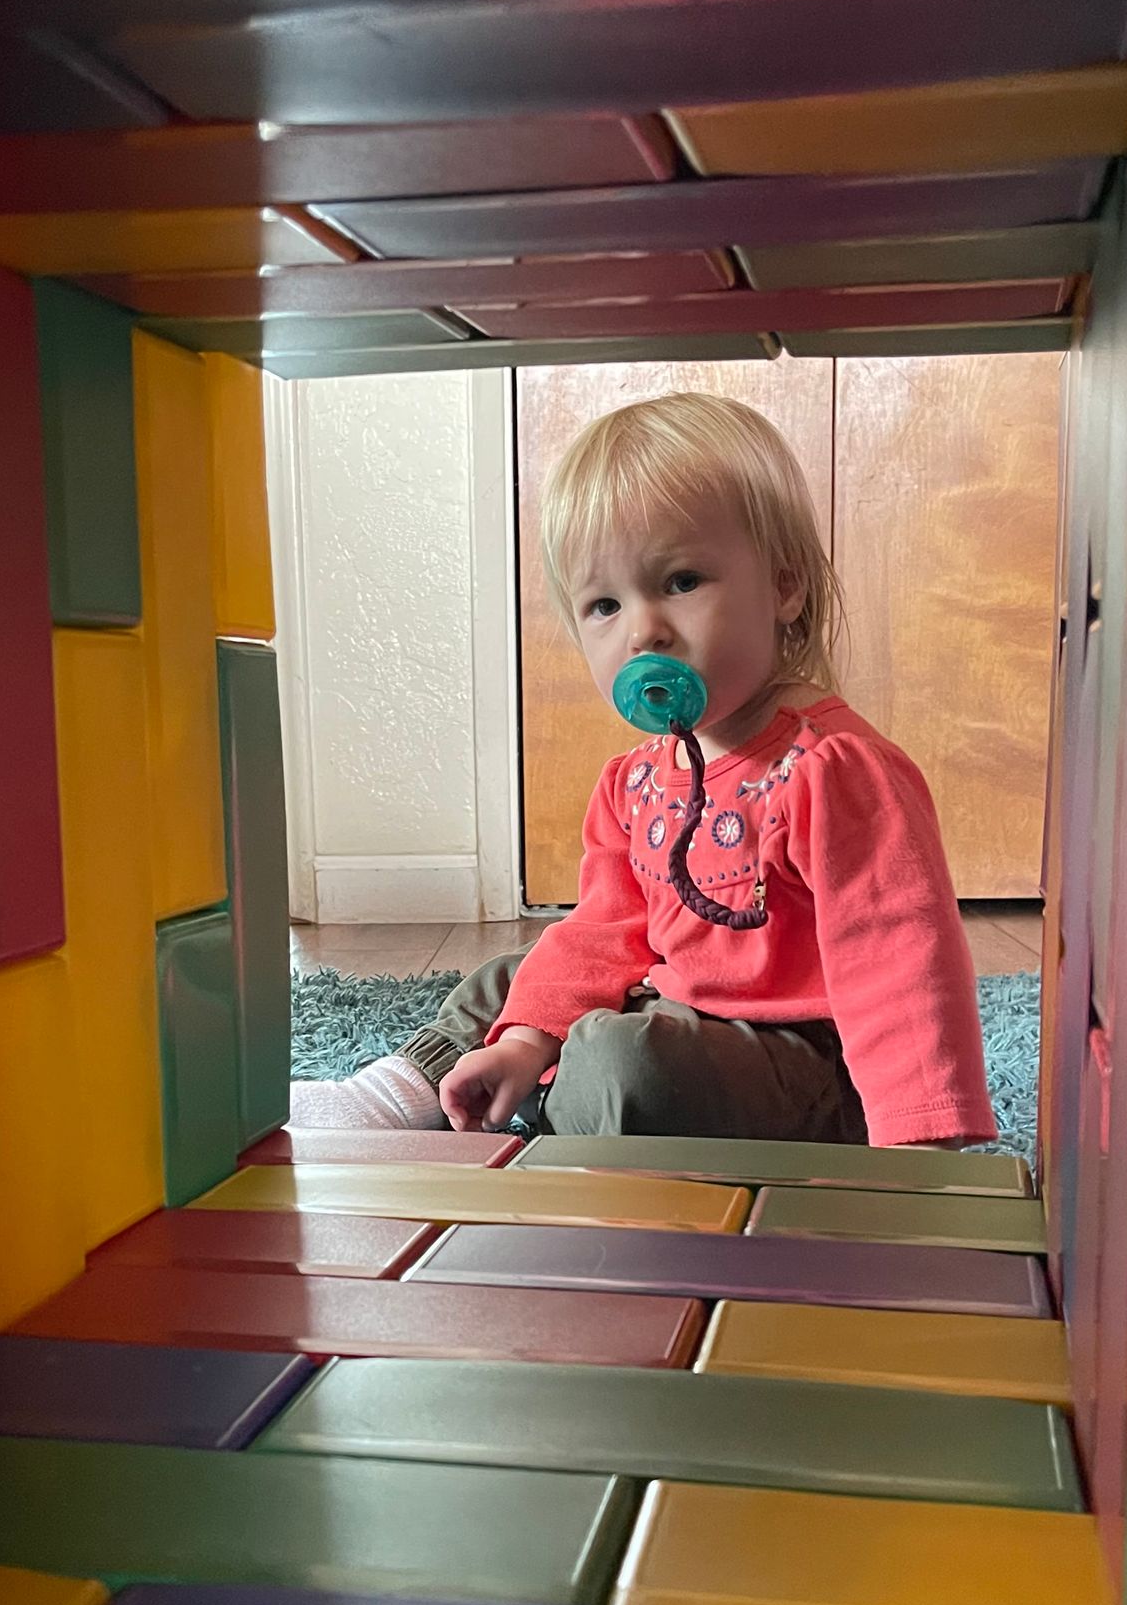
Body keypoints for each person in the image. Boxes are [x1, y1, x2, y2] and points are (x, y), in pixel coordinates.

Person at [293, 391, 996, 1148]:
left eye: (682, 582)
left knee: (622, 1058)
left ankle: (546, 1119)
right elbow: (605, 932)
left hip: (805, 1060)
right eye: (604, 605)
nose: (644, 630)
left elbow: (903, 966)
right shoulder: (634, 783)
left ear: (784, 587)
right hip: (674, 1005)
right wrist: (527, 1040)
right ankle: (409, 1089)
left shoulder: (832, 770)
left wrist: (921, 1148)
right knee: (513, 980)